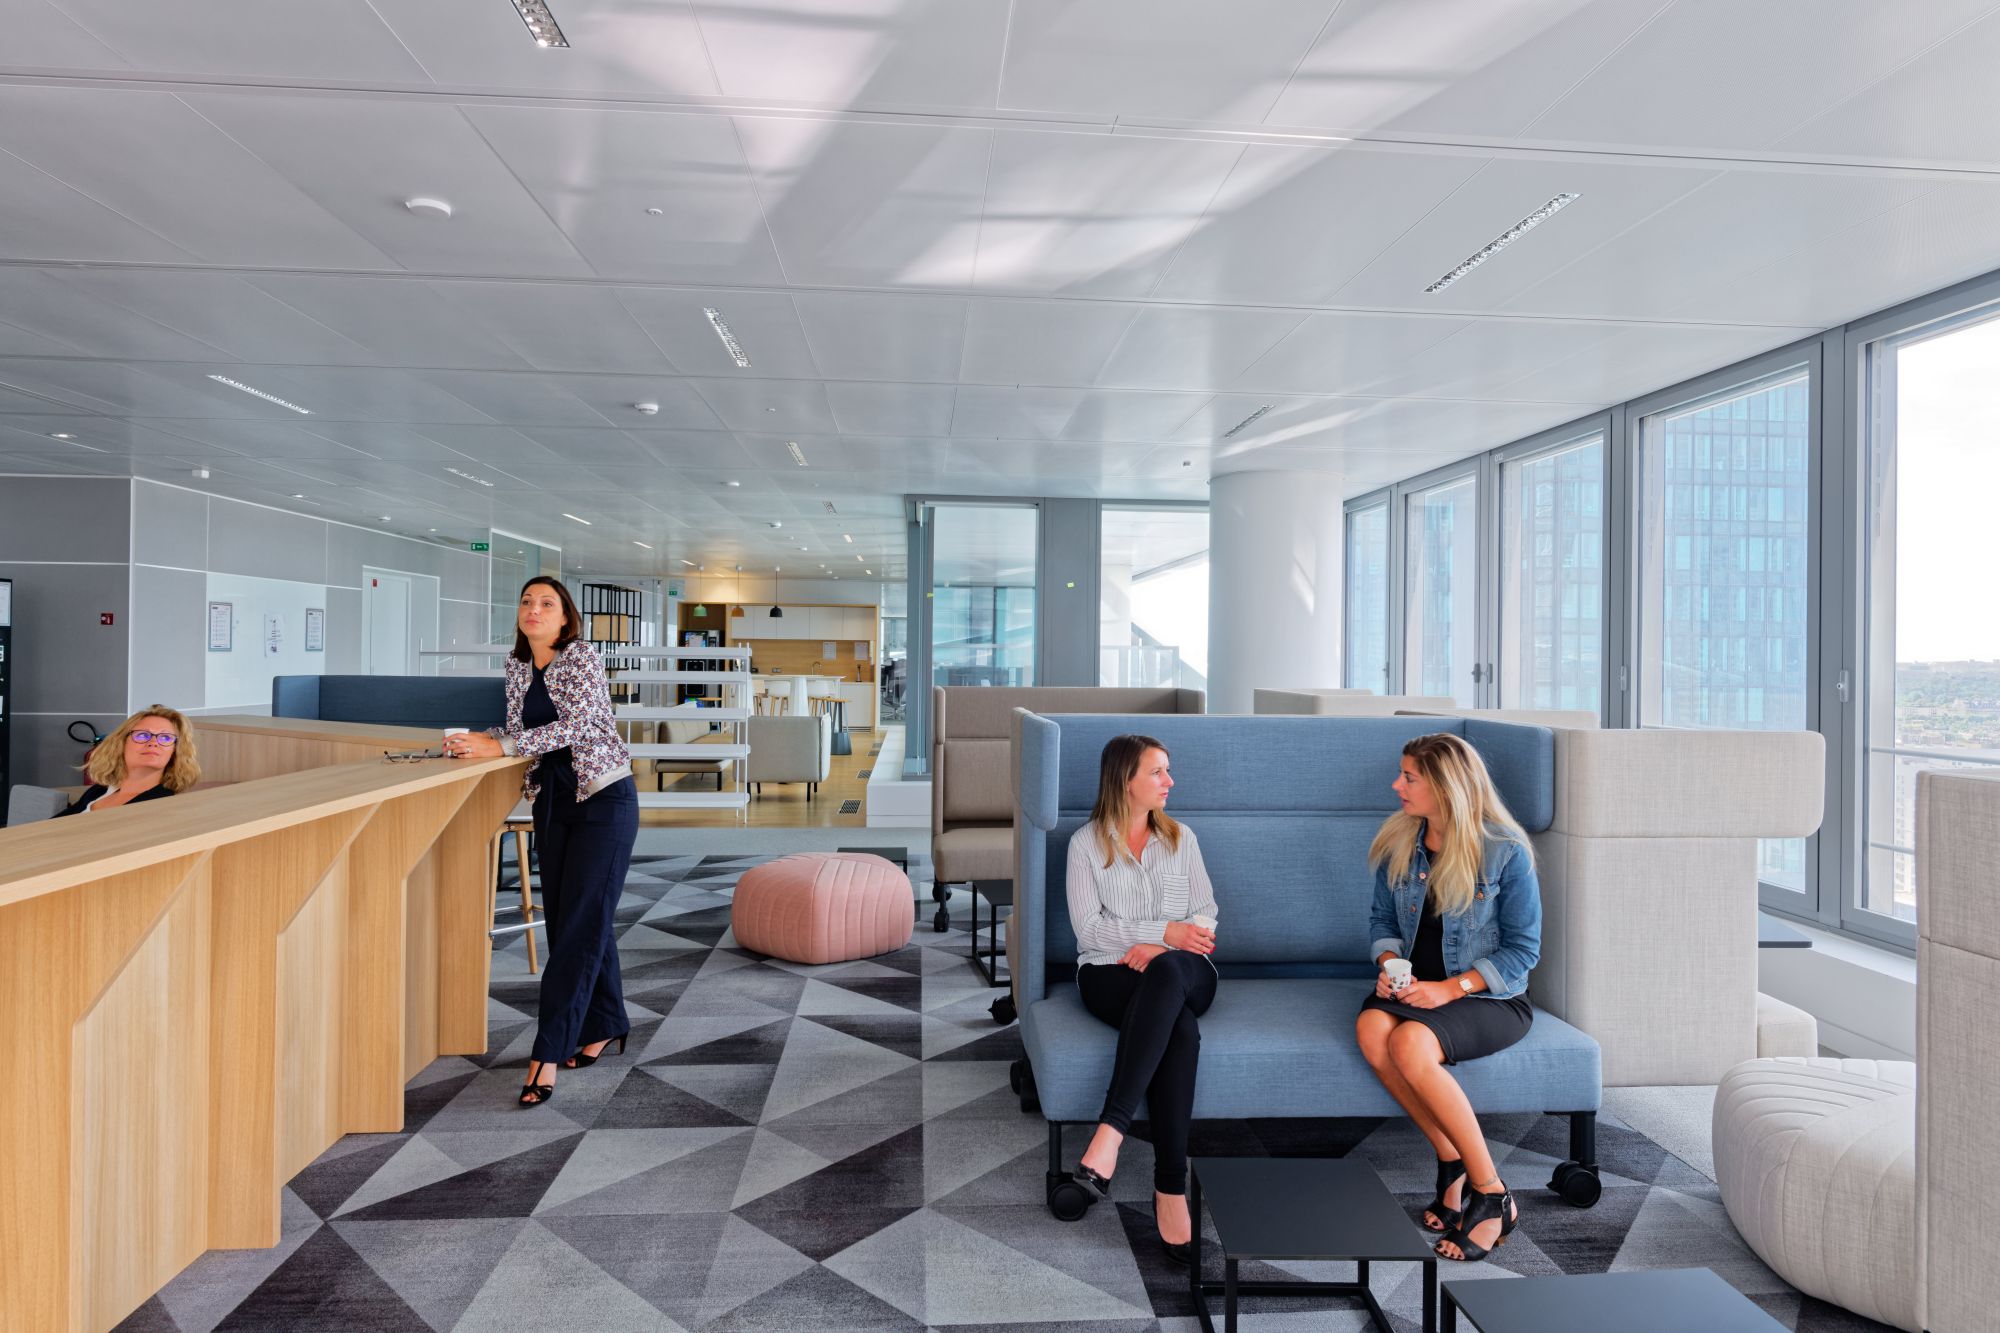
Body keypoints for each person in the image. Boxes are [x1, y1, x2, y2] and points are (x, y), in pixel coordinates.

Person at [444, 577, 638, 1107]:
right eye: (526, 601)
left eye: (546, 603)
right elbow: (521, 728)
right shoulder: (517, 666)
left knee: (578, 929)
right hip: (552, 802)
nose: (534, 609)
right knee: (575, 921)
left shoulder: (582, 657)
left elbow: (580, 724)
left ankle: (546, 1052)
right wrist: (482, 741)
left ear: (565, 617)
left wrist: (502, 745)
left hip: (603, 801)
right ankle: (607, 1021)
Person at [1356, 733, 1542, 1263]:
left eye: (1409, 777)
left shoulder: (1505, 851)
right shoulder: (1401, 842)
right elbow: (1382, 922)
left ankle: (1491, 1193)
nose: (1397, 785)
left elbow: (1523, 951)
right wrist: (1388, 966)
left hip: (1488, 997)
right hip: (1418, 991)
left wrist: (1451, 988)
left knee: (1410, 1044)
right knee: (1372, 1028)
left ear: (1445, 786)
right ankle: (1451, 1160)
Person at [1064, 733, 1218, 1266]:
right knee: (1179, 1028)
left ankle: (1110, 1132)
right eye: (1157, 772)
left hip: (1187, 970)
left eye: (1167, 770)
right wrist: (1161, 932)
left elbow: (1205, 914)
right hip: (1108, 974)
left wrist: (1163, 944)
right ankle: (1171, 1188)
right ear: (1124, 780)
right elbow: (1088, 932)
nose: (1169, 781)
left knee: (1170, 970)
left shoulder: (1182, 839)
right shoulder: (1085, 845)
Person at [53, 706, 200, 816]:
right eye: (142, 735)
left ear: (175, 752)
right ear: (121, 743)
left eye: (165, 738)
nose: (153, 743)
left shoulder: (159, 806)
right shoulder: (100, 790)